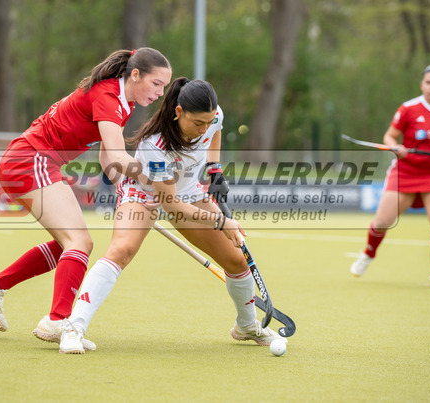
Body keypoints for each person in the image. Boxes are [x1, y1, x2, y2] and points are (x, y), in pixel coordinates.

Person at [57, 78, 285, 354]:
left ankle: (246, 326)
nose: (204, 128)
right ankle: (74, 328)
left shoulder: (213, 116)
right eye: (197, 123)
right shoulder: (156, 144)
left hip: (188, 192)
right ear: (179, 112)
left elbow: (216, 131)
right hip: (144, 193)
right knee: (121, 250)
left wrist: (214, 168)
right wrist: (220, 221)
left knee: (237, 260)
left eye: (208, 121)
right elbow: (171, 204)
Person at [0, 48, 172, 348]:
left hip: (33, 161)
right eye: (156, 84)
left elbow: (107, 158)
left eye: (164, 87)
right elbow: (118, 156)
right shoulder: (108, 97)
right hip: (31, 159)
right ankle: (57, 319)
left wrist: (124, 188)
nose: (160, 93)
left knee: (69, 243)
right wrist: (157, 182)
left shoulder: (123, 103)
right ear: (136, 75)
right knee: (79, 242)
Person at [350, 65, 430, 289]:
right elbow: (389, 136)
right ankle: (368, 254)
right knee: (382, 222)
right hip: (405, 172)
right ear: (422, 85)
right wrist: (395, 147)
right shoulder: (408, 109)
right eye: (429, 83)